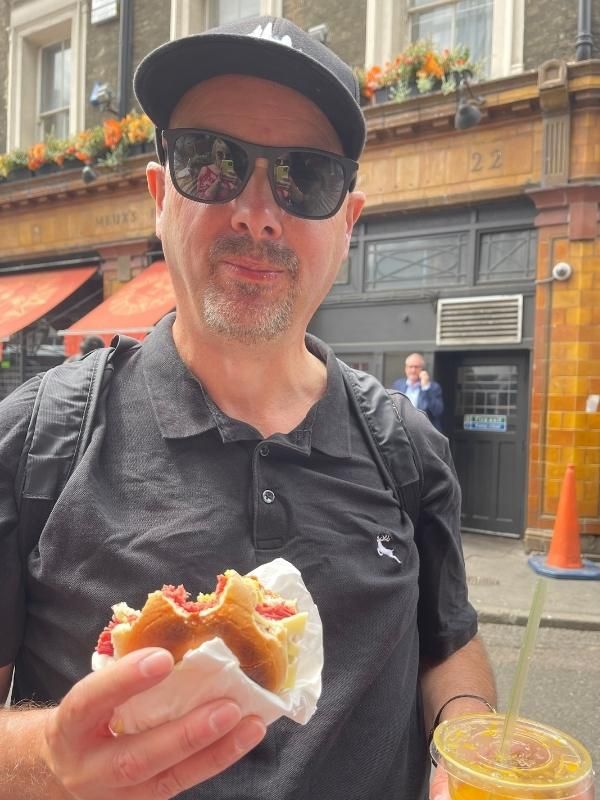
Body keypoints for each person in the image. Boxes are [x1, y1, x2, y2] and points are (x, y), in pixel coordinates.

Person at [0, 16, 496, 800]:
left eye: (306, 177)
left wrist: (469, 749)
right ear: (160, 196)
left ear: (348, 225)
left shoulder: (408, 448)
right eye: (212, 162)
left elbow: (447, 645)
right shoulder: (34, 442)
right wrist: (49, 757)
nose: (257, 212)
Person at [392, 352, 445, 432]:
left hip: (424, 433)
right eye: (410, 367)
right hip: (402, 432)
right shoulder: (398, 385)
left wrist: (426, 388)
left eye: (416, 367)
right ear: (406, 369)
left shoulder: (433, 387)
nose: (413, 370)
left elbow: (437, 411)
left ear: (422, 370)